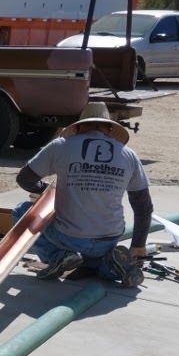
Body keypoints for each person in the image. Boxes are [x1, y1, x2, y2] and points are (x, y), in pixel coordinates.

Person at [13, 103, 152, 287]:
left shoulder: (61, 146)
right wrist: (138, 247)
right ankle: (110, 265)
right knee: (94, 262)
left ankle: (59, 257)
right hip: (109, 238)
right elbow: (143, 206)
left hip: (70, 238)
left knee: (20, 211)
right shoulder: (128, 155)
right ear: (109, 129)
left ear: (79, 127)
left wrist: (43, 189)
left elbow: (24, 179)